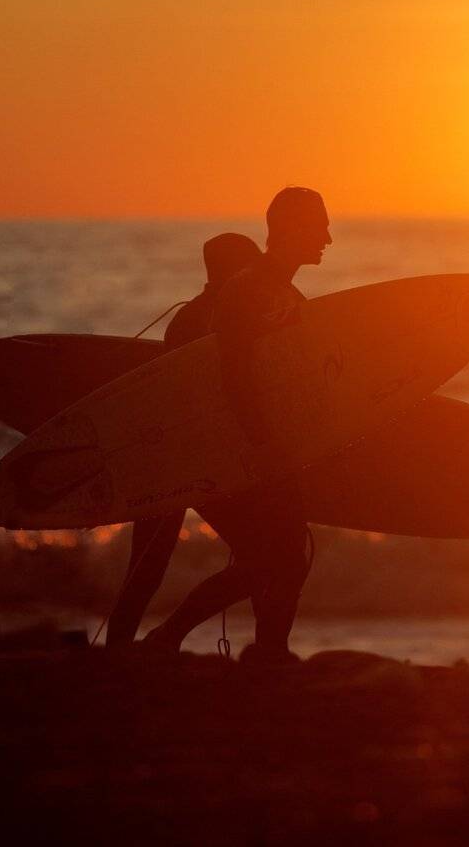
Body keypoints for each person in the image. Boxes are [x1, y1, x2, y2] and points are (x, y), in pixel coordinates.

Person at [145, 187, 331, 665]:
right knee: (275, 557)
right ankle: (170, 636)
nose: (328, 238)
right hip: (237, 447)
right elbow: (234, 374)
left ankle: (271, 650)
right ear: (290, 229)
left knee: (288, 556)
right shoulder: (248, 290)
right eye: (319, 226)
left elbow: (292, 376)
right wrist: (262, 443)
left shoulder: (284, 292)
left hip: (271, 445)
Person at [105, 232, 261, 647]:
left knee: (148, 564)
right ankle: (160, 638)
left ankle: (129, 646)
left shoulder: (201, 315)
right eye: (251, 265)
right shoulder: (209, 319)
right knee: (263, 559)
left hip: (172, 455)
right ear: (231, 271)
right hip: (184, 458)